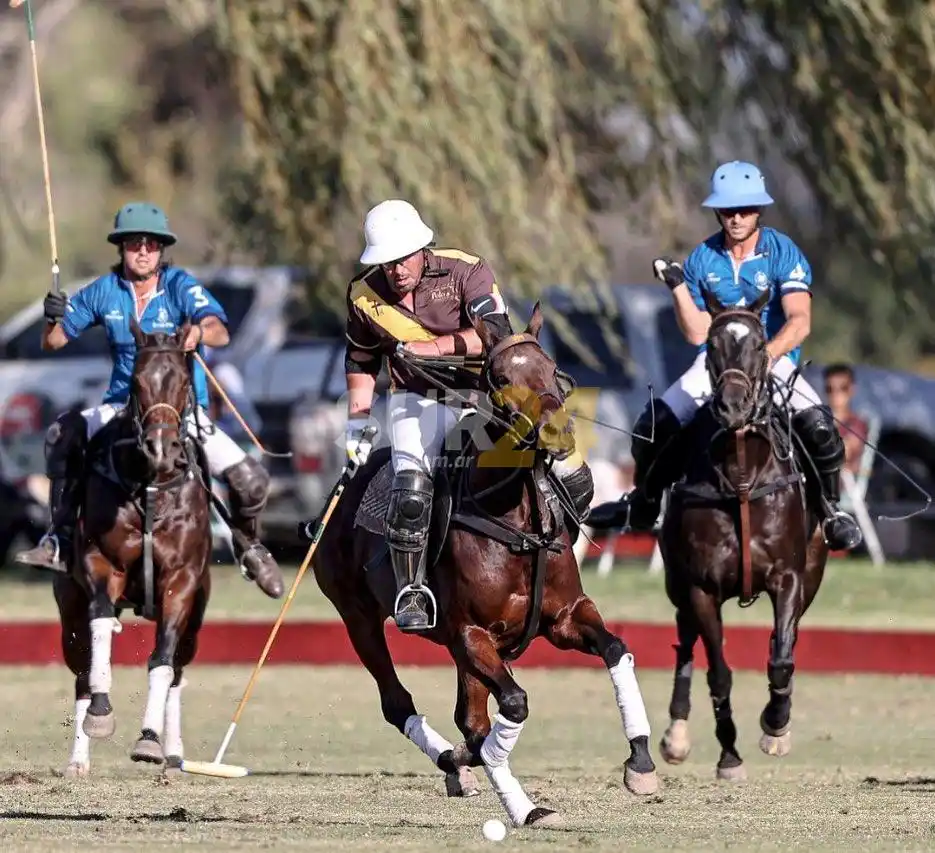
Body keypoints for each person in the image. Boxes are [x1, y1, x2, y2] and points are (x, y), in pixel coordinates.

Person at [344, 198, 593, 632]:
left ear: (422, 249)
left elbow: (494, 335)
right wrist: (357, 420)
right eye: (386, 263)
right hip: (415, 399)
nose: (395, 270)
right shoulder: (363, 294)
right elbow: (361, 360)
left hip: (485, 390)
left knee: (564, 459)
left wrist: (433, 347)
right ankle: (413, 588)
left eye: (402, 259)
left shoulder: (466, 269)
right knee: (411, 490)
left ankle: (556, 563)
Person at [15, 202, 285, 599]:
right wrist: (51, 316)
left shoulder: (178, 285)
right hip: (122, 405)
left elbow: (219, 330)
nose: (143, 251)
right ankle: (60, 537)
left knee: (251, 480)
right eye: (134, 244)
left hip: (180, 412)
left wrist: (197, 333)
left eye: (151, 245)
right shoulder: (104, 291)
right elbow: (53, 341)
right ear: (121, 248)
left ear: (161, 250)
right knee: (61, 435)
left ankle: (248, 545)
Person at [589, 162, 862, 552]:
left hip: (772, 358)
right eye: (728, 210)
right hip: (716, 364)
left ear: (759, 211)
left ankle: (832, 510)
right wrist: (679, 289)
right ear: (717, 212)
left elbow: (800, 322)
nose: (736, 218)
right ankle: (643, 504)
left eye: (745, 210)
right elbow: (697, 332)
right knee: (652, 426)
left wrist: (765, 356)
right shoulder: (703, 258)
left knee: (820, 428)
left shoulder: (784, 253)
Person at [823, 363, 869, 475]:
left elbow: (845, 453)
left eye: (843, 387)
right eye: (830, 388)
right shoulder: (819, 420)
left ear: (852, 389)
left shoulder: (857, 424)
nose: (836, 394)